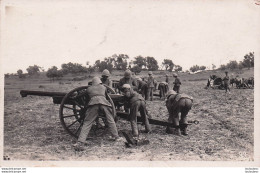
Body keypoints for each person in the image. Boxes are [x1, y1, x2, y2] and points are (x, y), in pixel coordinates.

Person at [73, 77, 121, 151]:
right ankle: (116, 137)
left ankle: (80, 141)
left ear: (93, 83)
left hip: (93, 104)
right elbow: (107, 96)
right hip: (104, 103)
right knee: (110, 120)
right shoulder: (103, 87)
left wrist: (75, 96)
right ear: (99, 82)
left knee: (87, 122)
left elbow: (81, 95)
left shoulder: (89, 89)